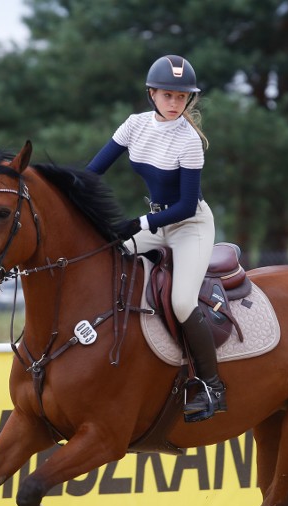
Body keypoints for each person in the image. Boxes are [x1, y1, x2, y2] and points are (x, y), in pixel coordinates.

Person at [86, 55, 225, 422]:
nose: (176, 103)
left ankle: (212, 385)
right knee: (104, 259)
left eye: (182, 97)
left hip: (189, 225)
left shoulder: (189, 141)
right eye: (168, 95)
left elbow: (184, 206)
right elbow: (92, 173)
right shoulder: (133, 126)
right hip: (156, 223)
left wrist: (139, 222)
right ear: (151, 94)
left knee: (182, 302)